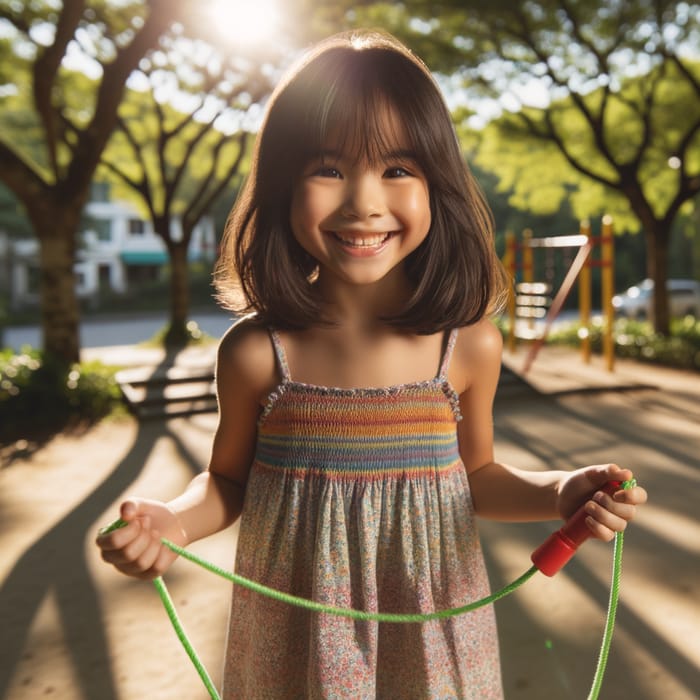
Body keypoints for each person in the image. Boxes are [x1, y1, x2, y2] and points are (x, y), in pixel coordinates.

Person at [96, 30, 647, 699]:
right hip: (295, 648)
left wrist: (559, 492)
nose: (363, 201)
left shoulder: (467, 345)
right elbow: (227, 481)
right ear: (280, 186)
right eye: (327, 168)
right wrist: (170, 522)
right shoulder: (255, 353)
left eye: (397, 169)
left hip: (438, 642)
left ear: (436, 185)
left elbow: (476, 476)